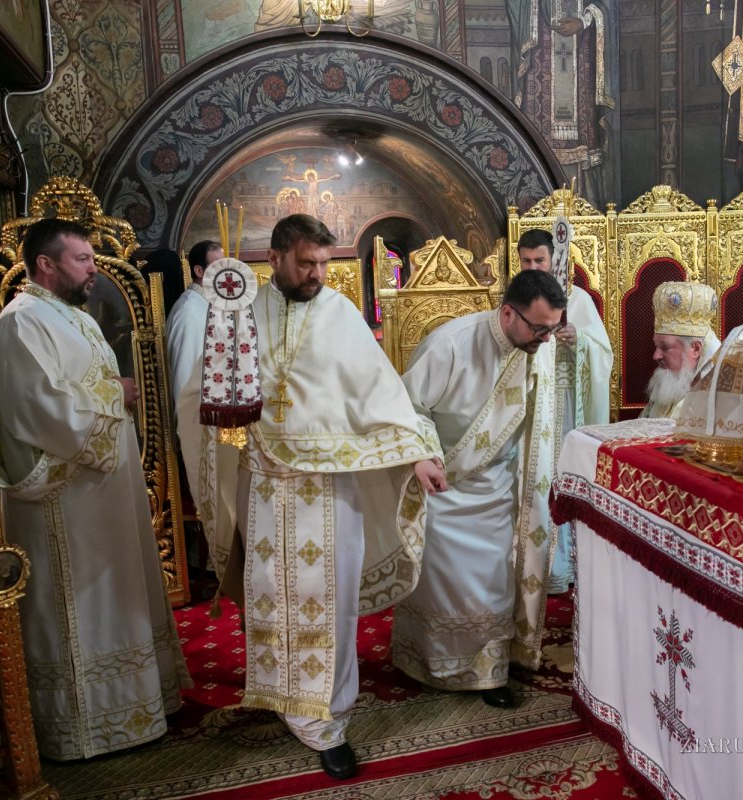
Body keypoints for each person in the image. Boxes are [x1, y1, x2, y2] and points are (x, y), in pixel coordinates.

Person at [202, 214, 444, 780]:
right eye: (307, 263)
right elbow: (218, 390)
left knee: (327, 602)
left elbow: (377, 391)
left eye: (324, 264)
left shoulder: (339, 315)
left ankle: (329, 722)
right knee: (270, 595)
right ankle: (283, 699)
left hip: (327, 487)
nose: (317, 274)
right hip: (264, 482)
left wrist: (418, 453)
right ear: (277, 256)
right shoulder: (245, 311)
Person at [0, 218, 191, 760]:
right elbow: (38, 407)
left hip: (102, 489)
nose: (93, 269)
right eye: (82, 259)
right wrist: (116, 394)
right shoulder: (22, 321)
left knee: (118, 589)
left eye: (93, 258)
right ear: (46, 265)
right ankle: (86, 724)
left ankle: (135, 705)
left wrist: (113, 394)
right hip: (66, 497)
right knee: (81, 604)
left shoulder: (68, 316)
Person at [392, 269, 566, 710]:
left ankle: (490, 672)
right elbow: (409, 407)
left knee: (493, 585)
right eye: (539, 327)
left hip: (497, 491)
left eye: (552, 328)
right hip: (444, 486)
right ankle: (430, 664)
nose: (546, 339)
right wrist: (422, 456)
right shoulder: (451, 343)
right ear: (508, 313)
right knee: (443, 589)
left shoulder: (537, 349)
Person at [515, 229, 612, 594]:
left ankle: (568, 564)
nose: (533, 267)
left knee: (564, 475)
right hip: (531, 402)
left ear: (555, 260)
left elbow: (604, 354)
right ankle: (536, 564)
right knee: (533, 478)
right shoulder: (516, 299)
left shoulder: (578, 299)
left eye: (539, 260)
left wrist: (579, 341)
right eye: (526, 261)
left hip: (568, 403)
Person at [165, 240, 240, 601]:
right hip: (204, 427)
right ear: (198, 271)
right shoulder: (190, 313)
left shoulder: (210, 306)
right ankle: (215, 560)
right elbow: (185, 383)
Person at [642, 281, 720, 419]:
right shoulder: (669, 385)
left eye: (665, 347)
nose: (656, 356)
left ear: (695, 349)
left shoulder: (720, 395)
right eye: (657, 346)